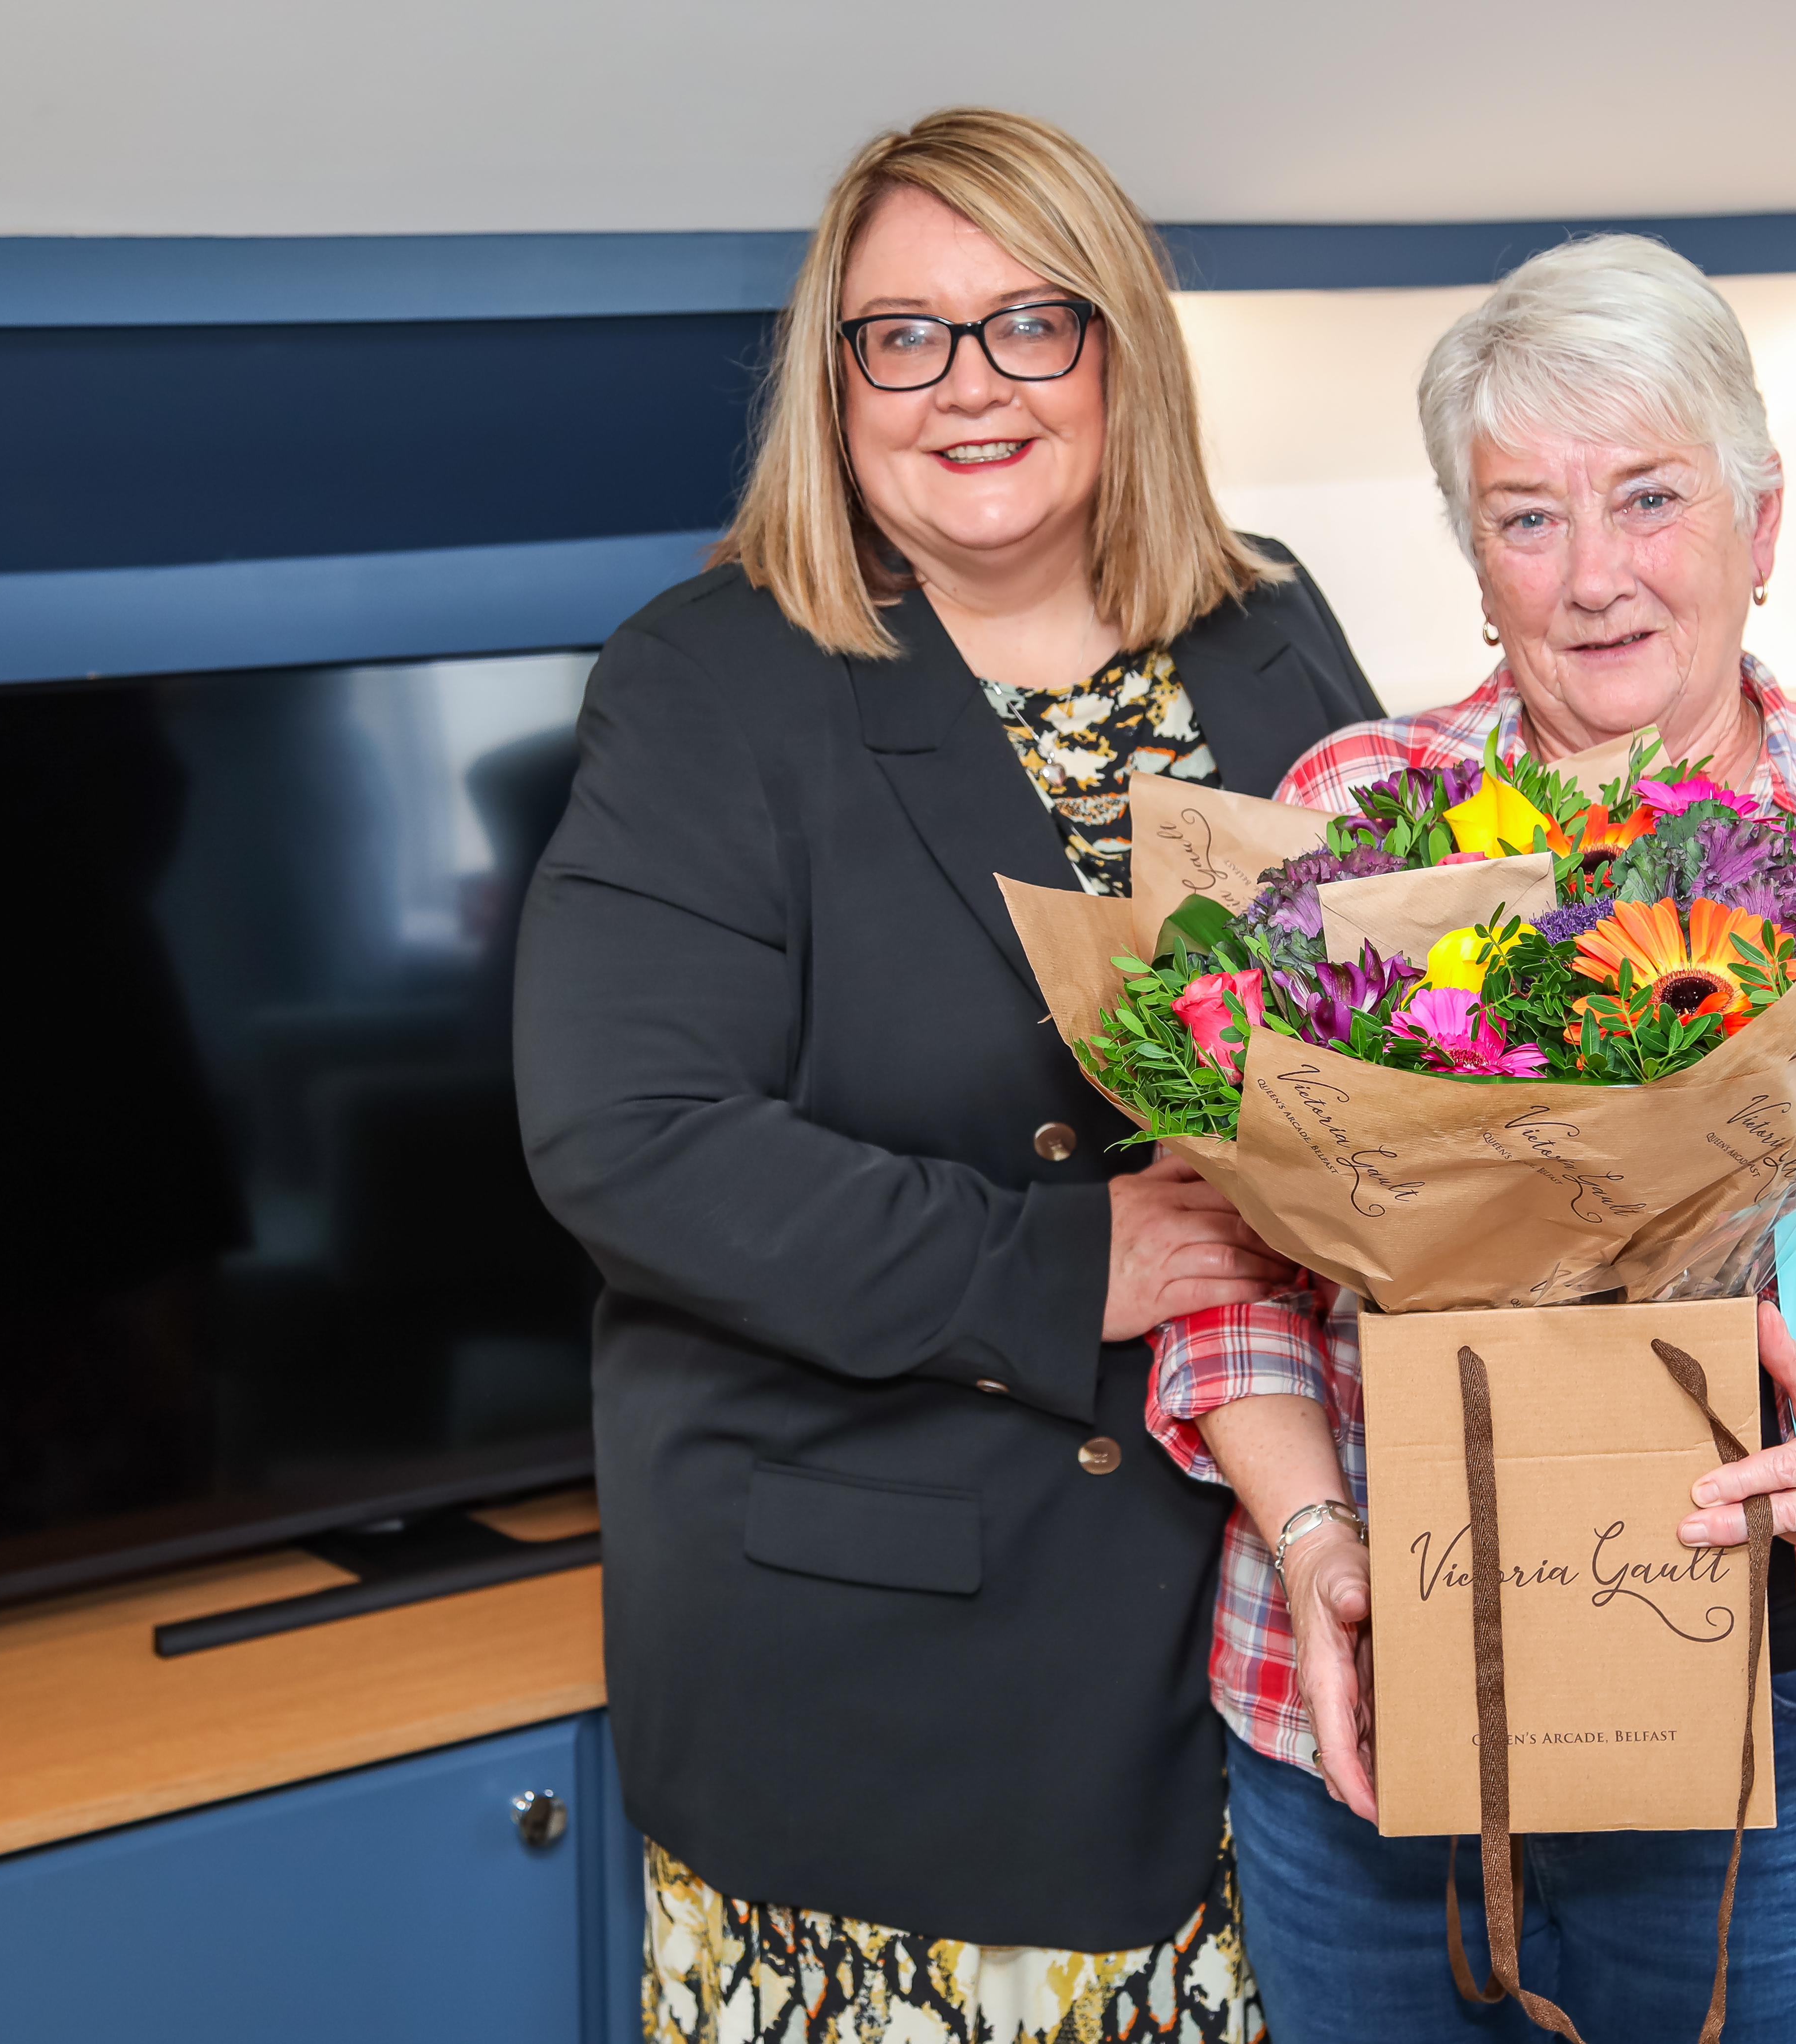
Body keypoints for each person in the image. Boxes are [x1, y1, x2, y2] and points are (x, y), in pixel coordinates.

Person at [1145, 236, 1796, 2043]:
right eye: (1525, 518)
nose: (1593, 575)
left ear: (1761, 527)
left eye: (1649, 497)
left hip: (1778, 1693)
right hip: (1370, 1680)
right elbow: (1229, 1272)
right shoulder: (1349, 819)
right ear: (1473, 561)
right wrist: (1316, 1549)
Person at [513, 109, 1382, 2044]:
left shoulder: (1265, 625)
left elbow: (1392, 1017)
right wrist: (1077, 1261)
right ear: (839, 381)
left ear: (1122, 354)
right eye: (903, 335)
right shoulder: (711, 679)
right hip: (893, 1675)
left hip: (1258, 1638)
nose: (966, 386)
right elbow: (630, 1139)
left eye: (1028, 326)